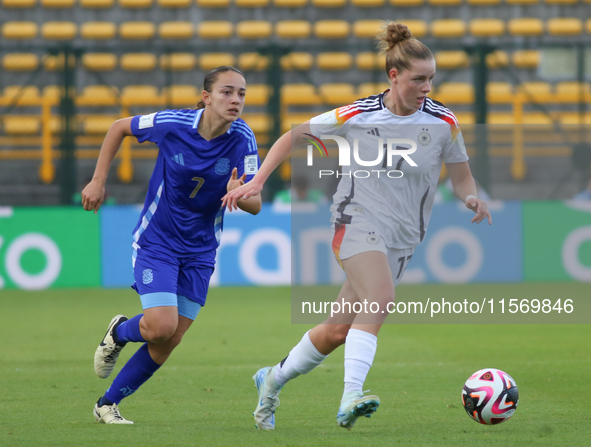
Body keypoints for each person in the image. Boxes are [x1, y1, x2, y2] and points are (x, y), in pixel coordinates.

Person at [223, 22, 492, 431]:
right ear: (394, 75)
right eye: (419, 79)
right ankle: (351, 395)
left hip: (403, 239)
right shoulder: (358, 114)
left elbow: (461, 177)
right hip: (355, 221)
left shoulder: (444, 122)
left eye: (432, 79)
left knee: (335, 331)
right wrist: (258, 180)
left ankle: (271, 378)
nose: (427, 87)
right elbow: (293, 137)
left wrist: (471, 197)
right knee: (380, 297)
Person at [81, 66, 261, 424]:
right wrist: (98, 180)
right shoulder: (172, 123)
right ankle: (119, 332)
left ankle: (107, 404)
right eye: (227, 92)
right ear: (207, 97)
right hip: (158, 239)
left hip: (201, 248)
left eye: (241, 93)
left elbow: (255, 203)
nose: (236, 100)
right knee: (160, 326)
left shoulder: (244, 139)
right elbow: (119, 127)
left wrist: (238, 195)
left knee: (169, 338)